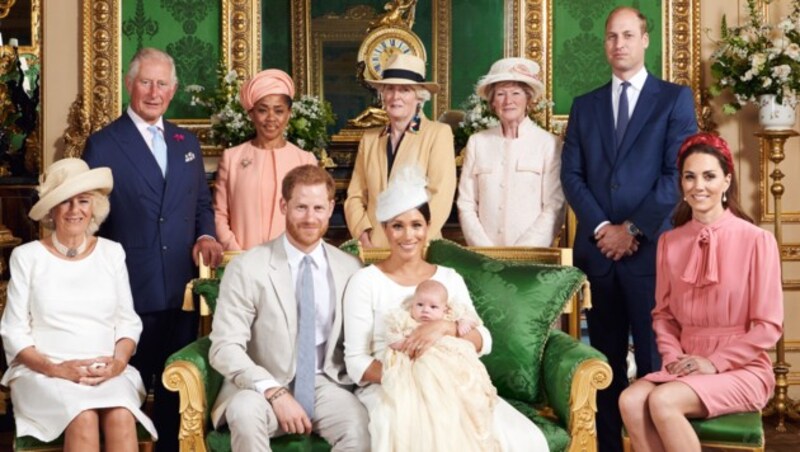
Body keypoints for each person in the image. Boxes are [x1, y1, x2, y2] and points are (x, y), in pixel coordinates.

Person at [559, 7, 697, 451]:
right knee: (603, 365)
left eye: (628, 35)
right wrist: (603, 227)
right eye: (611, 37)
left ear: (644, 40)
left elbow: (676, 175)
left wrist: (631, 228)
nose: (619, 44)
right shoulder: (585, 106)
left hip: (651, 253)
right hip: (599, 256)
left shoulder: (674, 99)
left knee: (656, 364)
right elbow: (572, 176)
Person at [343, 165, 549, 451]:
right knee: (419, 432)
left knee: (521, 438)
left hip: (454, 383)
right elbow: (355, 361)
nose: (408, 235)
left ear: (427, 228)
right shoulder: (364, 281)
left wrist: (446, 327)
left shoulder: (448, 278)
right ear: (385, 230)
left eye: (416, 225)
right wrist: (412, 379)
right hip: (392, 387)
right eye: (397, 226)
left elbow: (484, 339)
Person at [82, 47, 223, 451]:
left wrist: (207, 235)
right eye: (146, 82)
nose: (154, 91)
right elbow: (91, 221)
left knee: (175, 392)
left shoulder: (186, 142)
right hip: (129, 292)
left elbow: (200, 206)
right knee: (128, 391)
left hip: (180, 287)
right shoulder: (104, 144)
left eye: (162, 84)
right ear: (130, 84)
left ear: (173, 89)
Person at [619, 133, 783, 451]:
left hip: (742, 368)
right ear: (681, 183)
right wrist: (672, 357)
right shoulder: (669, 242)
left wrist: (716, 362)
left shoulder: (757, 241)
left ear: (726, 181)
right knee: (630, 400)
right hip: (684, 363)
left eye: (709, 176)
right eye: (690, 177)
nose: (699, 186)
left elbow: (768, 327)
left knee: (664, 400)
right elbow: (663, 316)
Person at [209, 164, 370, 451]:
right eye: (301, 207)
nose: (310, 218)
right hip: (261, 385)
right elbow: (224, 346)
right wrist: (273, 390)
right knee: (244, 412)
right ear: (284, 205)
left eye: (319, 208)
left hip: (326, 384)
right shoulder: (248, 267)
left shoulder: (350, 268)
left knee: (358, 427)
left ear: (331, 207)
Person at [0, 158, 157, 450]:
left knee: (122, 416)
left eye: (83, 201)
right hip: (43, 373)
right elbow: (14, 332)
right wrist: (58, 370)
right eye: (65, 202)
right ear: (51, 210)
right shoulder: (27, 256)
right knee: (82, 416)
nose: (75, 211)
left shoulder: (112, 253)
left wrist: (118, 364)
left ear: (94, 207)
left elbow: (127, 322)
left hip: (106, 370)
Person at [372, 278, 499, 451]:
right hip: (416, 359)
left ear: (445, 309)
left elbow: (473, 323)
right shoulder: (404, 319)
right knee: (419, 391)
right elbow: (392, 338)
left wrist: (459, 324)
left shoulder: (450, 315)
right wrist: (406, 343)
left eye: (433, 307)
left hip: (446, 357)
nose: (425, 311)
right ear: (412, 305)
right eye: (420, 305)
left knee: (464, 387)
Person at [344, 53, 456, 248]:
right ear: (382, 95)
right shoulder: (369, 139)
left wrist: (415, 239)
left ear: (419, 97)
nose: (395, 97)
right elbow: (355, 195)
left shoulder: (438, 134)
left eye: (404, 90)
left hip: (420, 248)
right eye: (389, 89)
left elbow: (440, 195)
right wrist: (363, 233)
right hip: (374, 247)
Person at [457, 57, 565, 247]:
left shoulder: (548, 143)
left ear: (528, 100)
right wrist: (484, 250)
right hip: (485, 256)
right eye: (500, 94)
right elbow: (466, 203)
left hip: (532, 256)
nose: (508, 101)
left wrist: (525, 251)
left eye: (516, 93)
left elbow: (554, 205)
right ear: (492, 102)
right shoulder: (478, 142)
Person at [214, 68, 317, 251]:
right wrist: (236, 252)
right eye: (262, 110)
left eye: (278, 111)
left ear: (289, 114)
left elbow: (312, 216)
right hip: (241, 261)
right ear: (251, 114)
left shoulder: (305, 160)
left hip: (290, 261)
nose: (271, 118)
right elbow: (219, 214)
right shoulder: (232, 158)